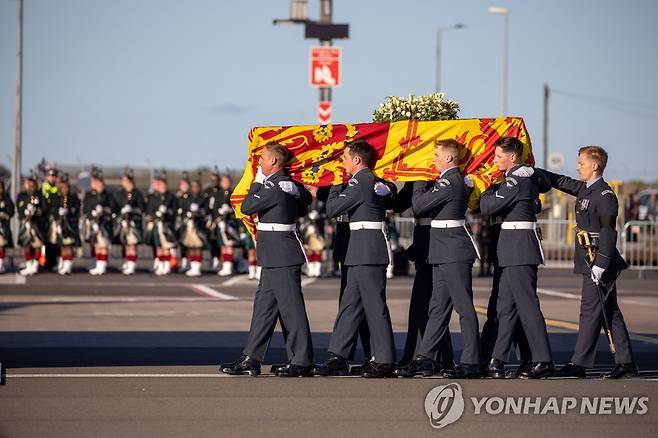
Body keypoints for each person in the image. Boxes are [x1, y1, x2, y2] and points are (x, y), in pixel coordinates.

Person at [534, 146, 638, 379]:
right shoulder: (586, 189)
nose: (578, 166)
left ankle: (579, 363)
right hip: (588, 258)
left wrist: (601, 264)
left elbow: (609, 232)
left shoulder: (605, 195)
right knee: (610, 311)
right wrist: (533, 170)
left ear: (595, 166)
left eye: (581, 162)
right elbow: (559, 180)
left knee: (590, 311)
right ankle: (626, 362)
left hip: (600, 260)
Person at [220, 143, 314, 377]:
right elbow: (303, 204)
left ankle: (301, 360)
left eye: (262, 158)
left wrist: (257, 181)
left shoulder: (273, 184)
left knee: (291, 310)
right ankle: (252, 357)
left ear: (273, 161)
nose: (259, 162)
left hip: (281, 254)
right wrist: (298, 192)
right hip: (274, 255)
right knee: (263, 309)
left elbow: (247, 206)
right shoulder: (285, 183)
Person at [396, 139, 481, 378]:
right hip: (443, 250)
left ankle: (471, 362)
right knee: (438, 307)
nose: (432, 160)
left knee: (463, 306)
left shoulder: (450, 180)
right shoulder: (451, 180)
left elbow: (420, 206)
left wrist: (420, 181)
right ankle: (425, 358)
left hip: (453, 251)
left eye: (436, 156)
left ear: (449, 158)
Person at [314, 139, 396, 378]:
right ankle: (338, 356)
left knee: (374, 306)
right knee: (350, 305)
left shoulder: (362, 181)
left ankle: (384, 359)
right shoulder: (364, 181)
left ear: (357, 160)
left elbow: (332, 209)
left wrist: (334, 184)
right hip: (360, 250)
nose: (343, 161)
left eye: (346, 157)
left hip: (368, 251)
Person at [480, 137, 554, 379]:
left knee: (527, 306)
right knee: (506, 307)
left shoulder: (516, 180)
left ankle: (542, 359)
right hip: (512, 250)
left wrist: (488, 189)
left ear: (512, 157)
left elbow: (488, 208)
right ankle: (498, 359)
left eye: (499, 156)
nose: (495, 160)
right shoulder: (523, 177)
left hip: (519, 250)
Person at [390, 180, 455, 375]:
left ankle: (430, 357)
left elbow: (421, 204)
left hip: (436, 238)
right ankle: (438, 357)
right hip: (422, 239)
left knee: (429, 303)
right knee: (423, 303)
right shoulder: (418, 178)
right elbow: (398, 204)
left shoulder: (441, 181)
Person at [82, 168, 118, 275]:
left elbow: (113, 208)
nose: (95, 184)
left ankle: (102, 266)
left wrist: (105, 210)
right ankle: (99, 264)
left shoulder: (108, 195)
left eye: (97, 182)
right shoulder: (89, 195)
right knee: (97, 245)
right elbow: (86, 209)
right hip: (93, 224)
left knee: (103, 245)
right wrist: (91, 214)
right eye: (93, 182)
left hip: (104, 224)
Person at [145, 171, 178, 276]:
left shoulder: (171, 197)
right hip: (156, 224)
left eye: (162, 184)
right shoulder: (153, 196)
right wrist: (155, 215)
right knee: (159, 247)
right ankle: (161, 264)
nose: (160, 186)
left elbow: (175, 211)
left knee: (166, 247)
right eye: (158, 184)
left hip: (166, 224)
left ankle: (167, 265)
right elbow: (149, 211)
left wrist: (167, 211)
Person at [47, 174, 81, 275]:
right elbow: (51, 209)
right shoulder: (55, 197)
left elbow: (77, 209)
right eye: (61, 186)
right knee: (62, 245)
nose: (63, 188)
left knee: (68, 245)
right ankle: (63, 262)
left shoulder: (73, 197)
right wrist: (57, 214)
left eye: (65, 186)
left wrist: (69, 211)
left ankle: (68, 265)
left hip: (69, 224)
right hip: (58, 224)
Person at [114, 169, 145, 275]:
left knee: (132, 245)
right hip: (123, 223)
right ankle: (127, 262)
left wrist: (133, 210)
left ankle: (132, 265)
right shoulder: (120, 193)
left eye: (124, 180)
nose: (122, 182)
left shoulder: (137, 194)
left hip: (133, 223)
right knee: (126, 245)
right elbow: (116, 207)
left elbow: (142, 209)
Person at [177, 174, 208, 277]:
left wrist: (198, 212)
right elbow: (182, 210)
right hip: (189, 225)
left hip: (198, 225)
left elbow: (206, 211)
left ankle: (197, 267)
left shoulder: (203, 198)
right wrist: (187, 214)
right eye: (193, 186)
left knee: (198, 247)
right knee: (190, 247)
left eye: (197, 186)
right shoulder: (187, 198)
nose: (195, 188)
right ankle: (192, 266)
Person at [16, 173, 47, 276]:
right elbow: (19, 207)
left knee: (37, 245)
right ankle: (28, 265)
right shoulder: (22, 195)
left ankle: (35, 265)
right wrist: (24, 213)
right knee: (26, 245)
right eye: (28, 183)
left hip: (35, 224)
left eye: (32, 183)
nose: (30, 185)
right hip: (25, 223)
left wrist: (34, 210)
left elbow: (39, 206)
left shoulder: (37, 195)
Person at [0, 180, 15, 274]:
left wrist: (5, 215)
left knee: (1, 246)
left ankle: (0, 264)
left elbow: (11, 210)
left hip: (3, 225)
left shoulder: (6, 198)